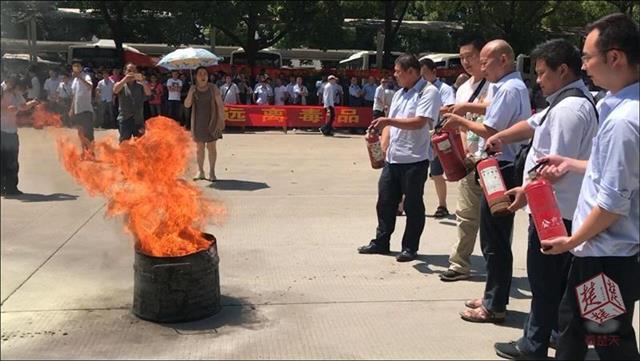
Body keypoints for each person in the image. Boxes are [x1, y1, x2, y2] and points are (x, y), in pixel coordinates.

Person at [484, 39, 599, 360]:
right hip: (557, 208)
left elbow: (554, 166)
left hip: (555, 212)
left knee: (545, 282)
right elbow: (533, 123)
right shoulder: (565, 102)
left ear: (562, 70)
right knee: (552, 282)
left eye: (541, 73)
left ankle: (533, 345)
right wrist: (502, 136)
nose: (537, 80)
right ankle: (550, 335)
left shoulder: (569, 110)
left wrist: (524, 193)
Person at [538, 14, 639, 360]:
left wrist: (571, 241)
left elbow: (613, 202)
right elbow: (613, 171)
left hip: (603, 255)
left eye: (586, 57)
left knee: (609, 341)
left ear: (615, 58)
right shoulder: (622, 109)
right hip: (602, 254)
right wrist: (572, 164)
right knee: (575, 329)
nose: (583, 66)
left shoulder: (625, 121)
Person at [442, 40, 531, 323]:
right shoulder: (510, 86)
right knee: (495, 237)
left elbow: (490, 130)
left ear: (503, 60)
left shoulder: (507, 87)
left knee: (494, 239)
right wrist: (466, 107)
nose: (481, 67)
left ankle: (495, 305)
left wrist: (461, 121)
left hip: (500, 168)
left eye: (485, 62)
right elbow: (491, 110)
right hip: (499, 167)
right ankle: (494, 294)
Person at [357, 54, 442, 262]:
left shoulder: (428, 92)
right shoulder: (399, 94)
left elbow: (420, 122)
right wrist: (381, 146)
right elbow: (388, 125)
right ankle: (381, 242)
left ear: (412, 72)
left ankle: (410, 247)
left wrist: (388, 121)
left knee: (413, 205)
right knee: (385, 201)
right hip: (393, 159)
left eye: (398, 72)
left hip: (415, 159)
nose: (395, 76)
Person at [439, 36, 490, 282]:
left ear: (484, 56)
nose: (466, 62)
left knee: (497, 218)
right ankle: (460, 264)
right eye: (462, 58)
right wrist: (464, 153)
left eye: (470, 56)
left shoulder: (498, 85)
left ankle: (497, 266)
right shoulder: (463, 89)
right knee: (466, 214)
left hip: (493, 160)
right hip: (470, 160)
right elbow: (458, 125)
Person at [420, 58, 456, 218]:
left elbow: (449, 109)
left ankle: (442, 205)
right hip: (418, 134)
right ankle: (401, 204)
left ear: (434, 72)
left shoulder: (445, 89)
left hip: (437, 135)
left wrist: (432, 108)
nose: (423, 78)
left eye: (425, 74)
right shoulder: (417, 89)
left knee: (436, 173)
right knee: (412, 170)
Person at [184, 66, 225, 182]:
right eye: (200, 74)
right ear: (196, 77)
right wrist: (191, 93)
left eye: (205, 74)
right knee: (199, 148)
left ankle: (212, 171)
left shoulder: (213, 88)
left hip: (212, 121)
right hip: (198, 123)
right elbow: (187, 105)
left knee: (211, 147)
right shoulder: (193, 88)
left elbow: (220, 105)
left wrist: (222, 120)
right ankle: (200, 171)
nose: (203, 76)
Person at [1, 75, 39, 196]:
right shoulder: (1, 90)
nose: (20, 91)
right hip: (1, 130)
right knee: (2, 160)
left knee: (12, 161)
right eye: (18, 88)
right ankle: (2, 188)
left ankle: (12, 187)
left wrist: (32, 103)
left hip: (12, 131)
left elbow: (22, 106)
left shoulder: (16, 93)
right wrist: (6, 109)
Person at [112, 63, 151, 142]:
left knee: (141, 143)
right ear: (124, 72)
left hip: (138, 120)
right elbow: (115, 90)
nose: (131, 73)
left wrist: (143, 81)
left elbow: (148, 93)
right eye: (129, 70)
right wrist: (125, 79)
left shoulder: (140, 85)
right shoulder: (121, 84)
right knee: (124, 143)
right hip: (124, 119)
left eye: (134, 71)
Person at [69, 59, 96, 152]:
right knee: (80, 132)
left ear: (81, 67)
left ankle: (91, 151)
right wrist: (71, 109)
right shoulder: (74, 80)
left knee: (88, 132)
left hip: (86, 109)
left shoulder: (86, 76)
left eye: (78, 65)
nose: (76, 67)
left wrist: (80, 77)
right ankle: (84, 151)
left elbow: (90, 86)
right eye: (74, 66)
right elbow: (74, 95)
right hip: (77, 109)